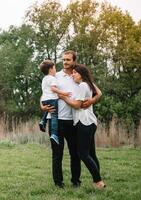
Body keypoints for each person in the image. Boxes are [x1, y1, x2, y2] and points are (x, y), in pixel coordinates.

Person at [41, 50, 102, 188]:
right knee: (57, 154)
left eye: (68, 59)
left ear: (74, 61)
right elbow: (44, 93)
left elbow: (98, 93)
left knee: (75, 154)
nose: (65, 62)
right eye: (63, 59)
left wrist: (91, 101)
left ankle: (76, 182)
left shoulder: (79, 77)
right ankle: (58, 183)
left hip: (73, 121)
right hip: (55, 120)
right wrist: (42, 106)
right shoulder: (55, 76)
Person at [58, 64, 106, 189]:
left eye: (75, 73)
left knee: (83, 153)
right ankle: (97, 180)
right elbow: (99, 93)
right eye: (72, 72)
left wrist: (63, 97)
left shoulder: (83, 85)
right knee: (91, 153)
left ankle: (98, 181)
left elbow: (76, 105)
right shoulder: (87, 84)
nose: (73, 74)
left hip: (84, 122)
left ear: (81, 74)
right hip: (90, 122)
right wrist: (91, 100)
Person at [39, 60, 71, 144]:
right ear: (51, 69)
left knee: (49, 108)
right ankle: (54, 134)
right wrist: (64, 93)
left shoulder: (44, 79)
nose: (55, 70)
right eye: (55, 68)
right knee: (54, 116)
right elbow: (53, 89)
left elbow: (46, 91)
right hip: (52, 99)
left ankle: (43, 121)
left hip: (44, 100)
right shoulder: (52, 78)